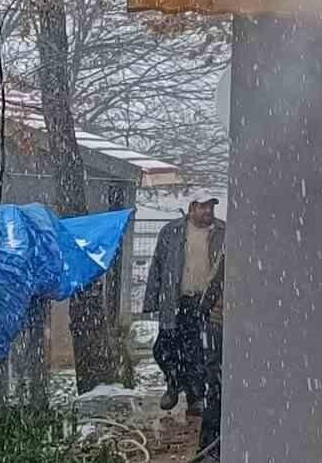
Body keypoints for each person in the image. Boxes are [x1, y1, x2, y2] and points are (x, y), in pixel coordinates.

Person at [143, 197, 225, 415]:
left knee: (198, 353)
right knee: (164, 348)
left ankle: (195, 396)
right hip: (176, 299)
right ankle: (172, 382)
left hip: (206, 302)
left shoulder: (222, 232)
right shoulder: (172, 231)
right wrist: (151, 300)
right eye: (203, 206)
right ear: (192, 207)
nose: (208, 211)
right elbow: (158, 265)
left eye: (211, 206)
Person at [198, 253, 224, 460]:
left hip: (222, 323)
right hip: (223, 322)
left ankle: (210, 447)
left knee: (216, 387)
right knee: (216, 386)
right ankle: (210, 448)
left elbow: (214, 281)